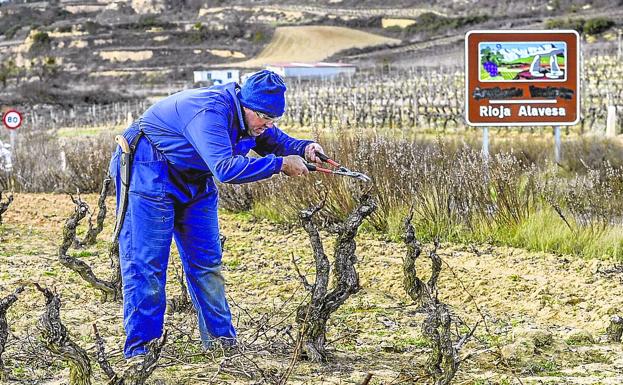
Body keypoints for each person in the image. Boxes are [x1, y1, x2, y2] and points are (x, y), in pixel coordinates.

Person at [109, 70, 324, 359]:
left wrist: (304, 148)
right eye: (264, 117)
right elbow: (225, 169)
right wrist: (280, 164)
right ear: (246, 105)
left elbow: (274, 141)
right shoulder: (211, 112)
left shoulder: (252, 118)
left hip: (194, 177)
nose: (268, 125)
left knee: (207, 263)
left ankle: (222, 344)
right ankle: (141, 352)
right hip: (149, 168)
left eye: (273, 119)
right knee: (147, 264)